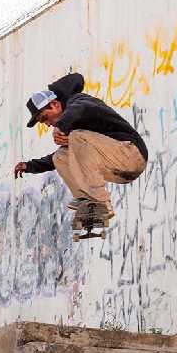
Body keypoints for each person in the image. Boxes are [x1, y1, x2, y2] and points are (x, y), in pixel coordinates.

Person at [13, 72, 148, 237]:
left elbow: (81, 108)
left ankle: (100, 203)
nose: (48, 124)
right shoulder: (75, 128)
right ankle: (89, 207)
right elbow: (67, 157)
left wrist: (61, 126)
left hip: (132, 154)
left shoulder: (78, 101)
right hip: (118, 169)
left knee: (76, 136)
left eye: (45, 118)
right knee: (60, 156)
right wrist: (30, 166)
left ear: (54, 104)